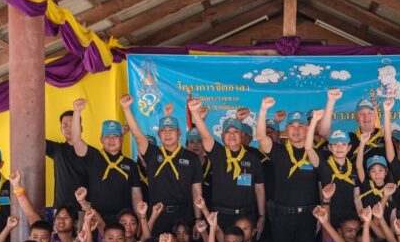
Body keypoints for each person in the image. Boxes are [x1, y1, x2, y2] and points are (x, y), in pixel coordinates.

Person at [256, 98, 322, 242]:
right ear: (286, 130)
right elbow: (261, 137)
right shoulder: (278, 151)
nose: (295, 130)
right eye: (291, 126)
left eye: (300, 126)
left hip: (307, 218)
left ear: (307, 128)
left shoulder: (313, 153)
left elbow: (321, 183)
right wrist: (263, 110)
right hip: (282, 217)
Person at [121, 95, 203, 234]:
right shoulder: (152, 154)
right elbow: (137, 135)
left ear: (179, 133)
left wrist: (197, 219)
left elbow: (196, 191)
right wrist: (126, 108)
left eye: (171, 130)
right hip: (157, 215)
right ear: (159, 135)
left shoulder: (191, 158)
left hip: (184, 214)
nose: (167, 133)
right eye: (164, 130)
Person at [190, 99, 266, 233]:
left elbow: (259, 189)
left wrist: (261, 216)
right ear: (222, 136)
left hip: (246, 216)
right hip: (221, 217)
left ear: (242, 135)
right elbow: (205, 135)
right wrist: (194, 112)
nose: (232, 135)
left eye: (235, 131)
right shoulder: (217, 153)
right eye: (228, 132)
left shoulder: (253, 158)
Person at [70, 99, 142, 224]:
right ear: (101, 139)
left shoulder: (130, 164)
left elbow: (136, 195)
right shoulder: (93, 157)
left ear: (122, 139)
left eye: (115, 136)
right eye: (107, 136)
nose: (111, 140)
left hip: (123, 222)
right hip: (96, 219)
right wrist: (77, 112)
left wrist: (140, 222)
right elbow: (76, 141)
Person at [46, 109, 93, 209]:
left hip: (84, 208)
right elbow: (32, 139)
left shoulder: (92, 152)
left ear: (80, 128)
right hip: (61, 210)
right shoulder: (56, 149)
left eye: (72, 125)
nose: (68, 128)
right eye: (65, 125)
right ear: (61, 129)